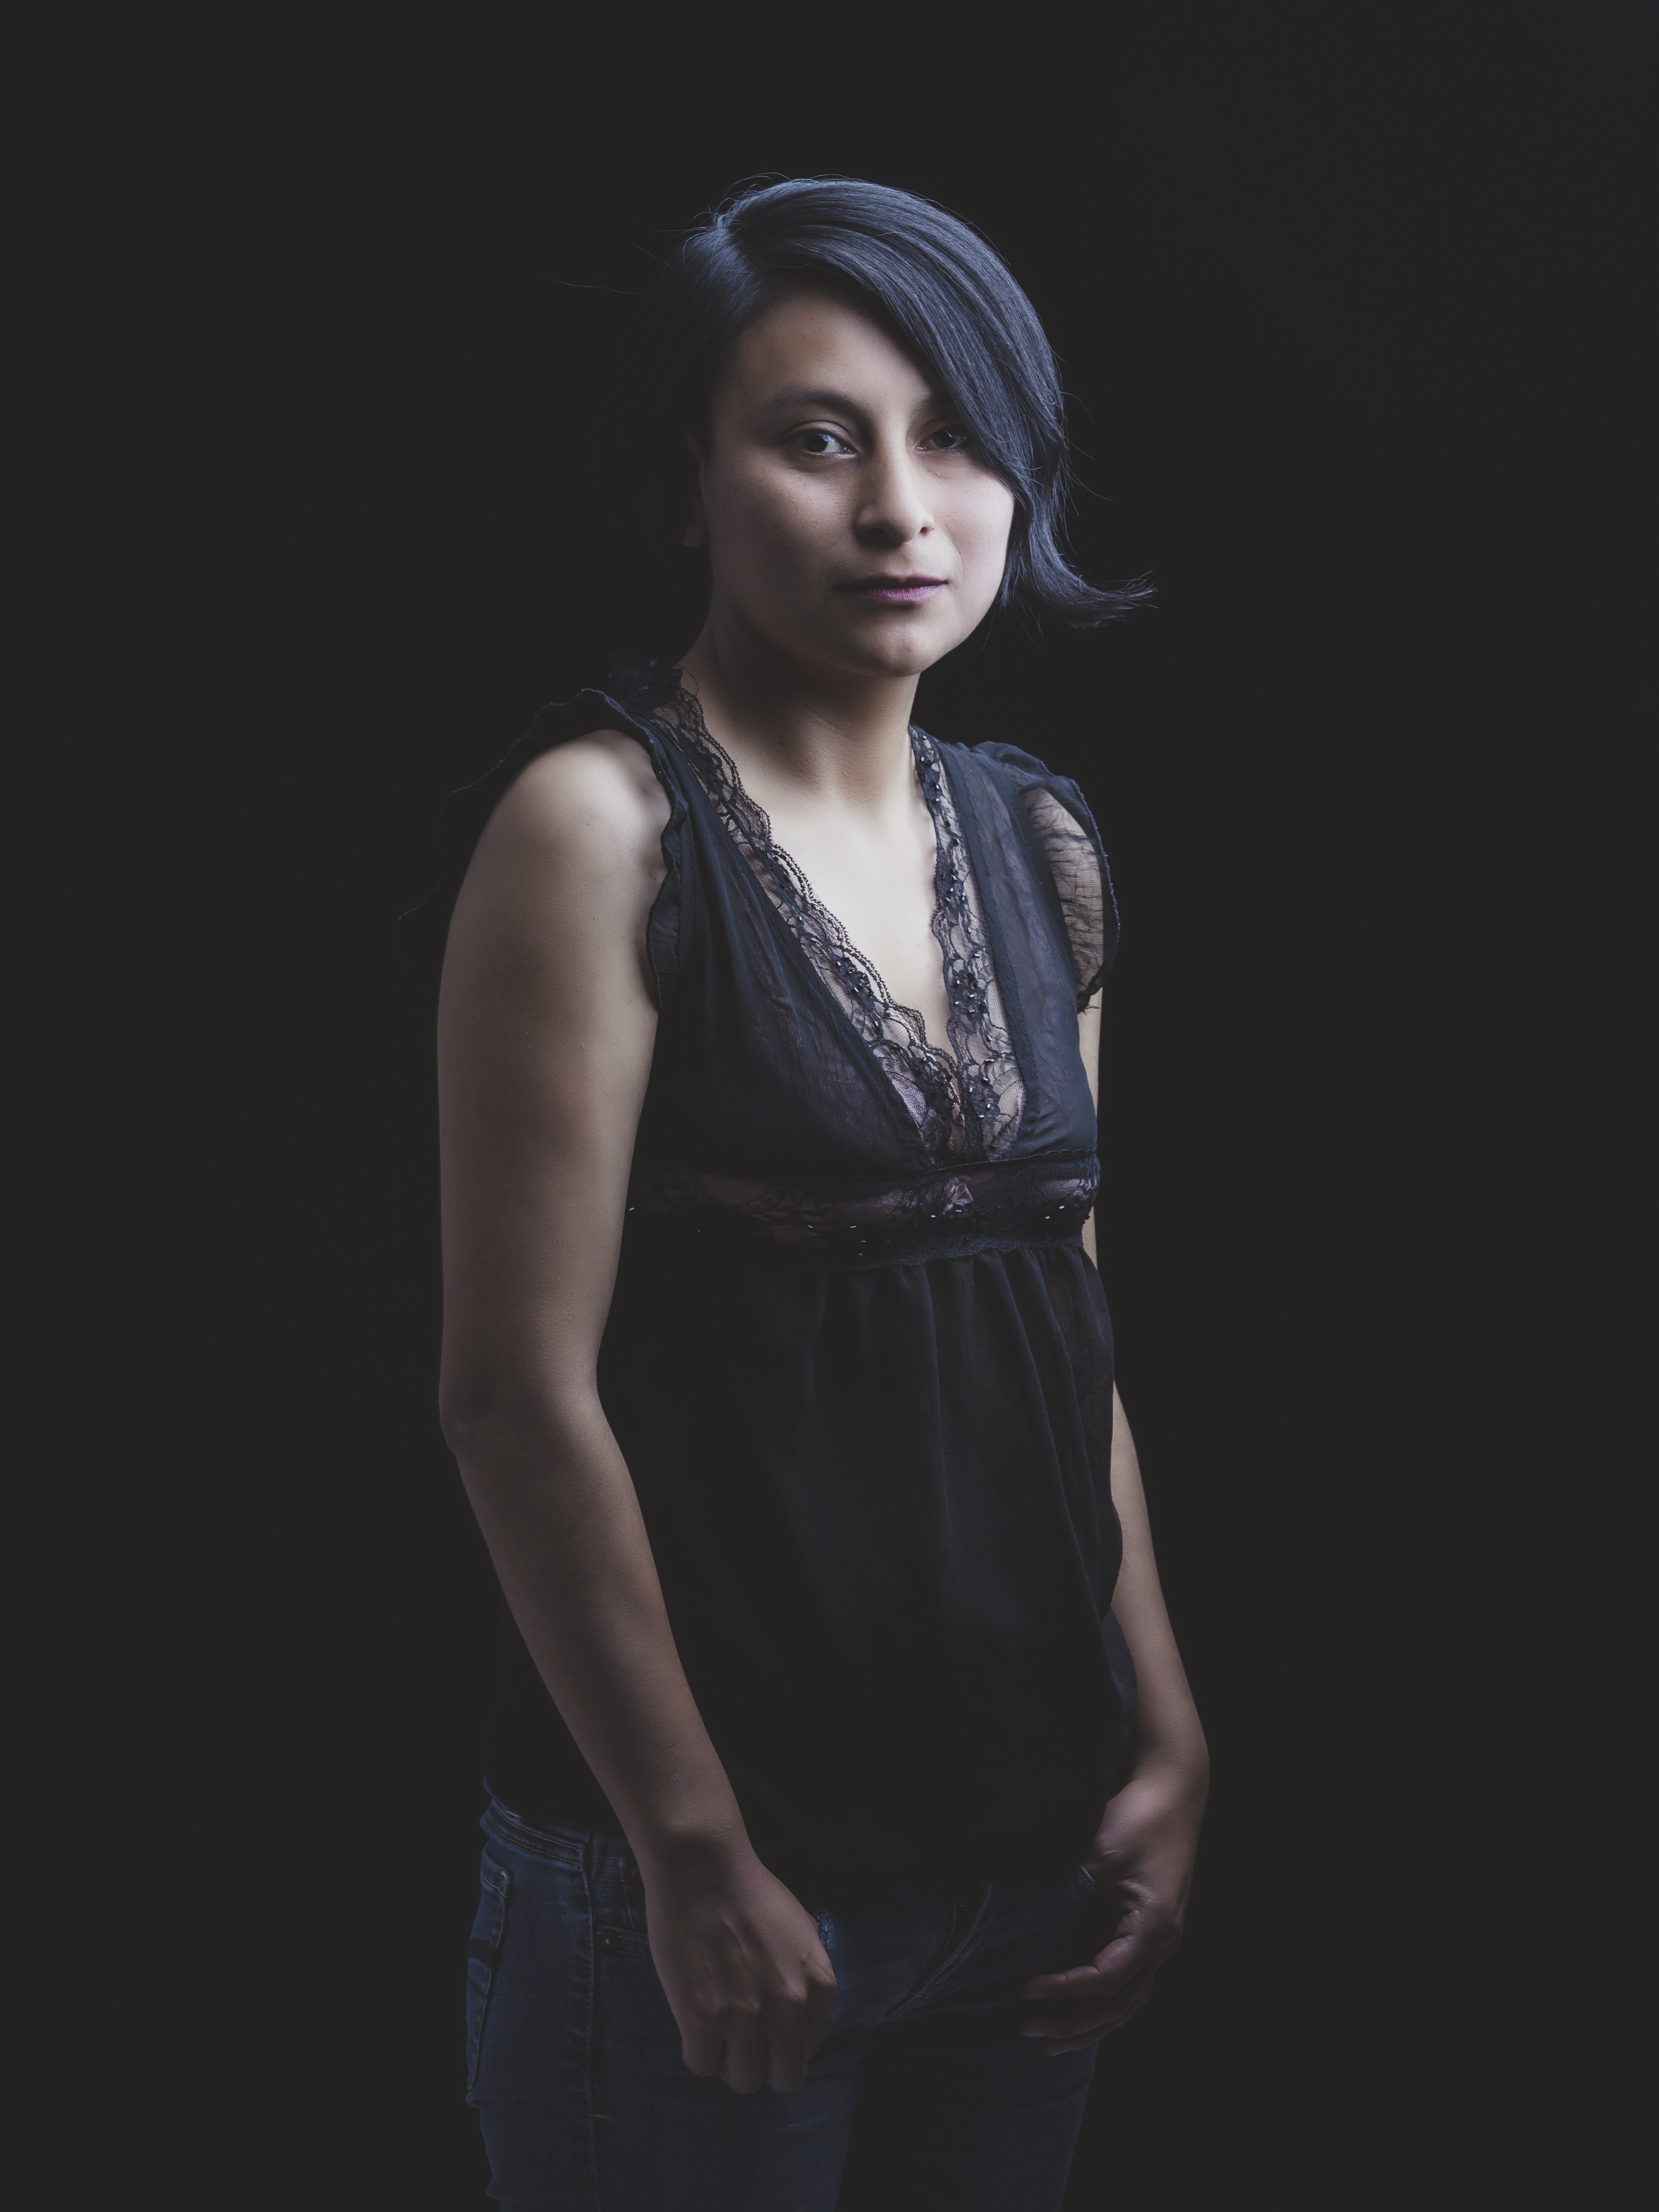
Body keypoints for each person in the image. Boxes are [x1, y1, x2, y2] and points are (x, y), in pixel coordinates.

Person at [402, 176, 1208, 2212]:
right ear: (690, 480)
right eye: (818, 435)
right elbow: (513, 1391)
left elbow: (1063, 1336)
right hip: (709, 1888)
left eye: (958, 439)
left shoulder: (1040, 846)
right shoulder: (596, 830)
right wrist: (688, 1851)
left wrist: (1164, 1732)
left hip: (1022, 1878)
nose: (901, 509)